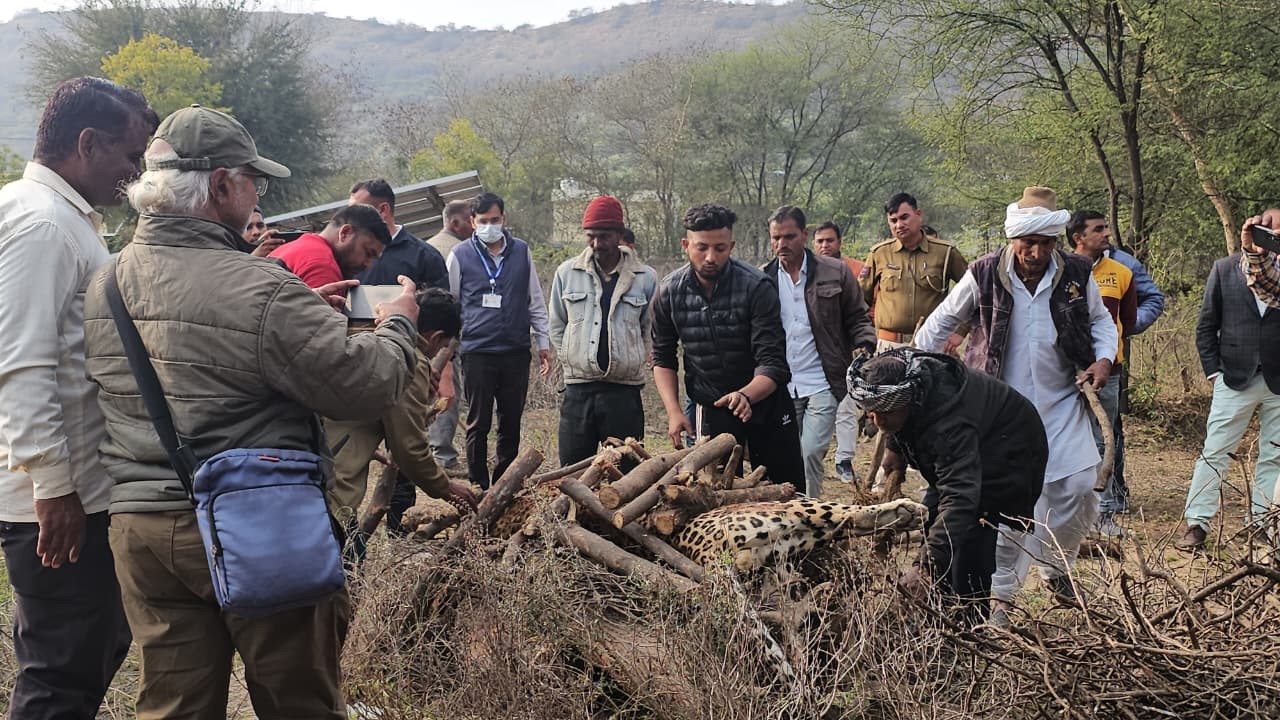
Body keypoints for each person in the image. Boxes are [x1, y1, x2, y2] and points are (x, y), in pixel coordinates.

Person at [83, 104, 422, 718]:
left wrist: (294, 316)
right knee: (298, 701)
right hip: (261, 522)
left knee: (174, 705)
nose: (257, 192)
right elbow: (367, 385)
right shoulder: (261, 288)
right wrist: (399, 324)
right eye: (252, 181)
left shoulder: (106, 283)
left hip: (144, 530)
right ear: (220, 186)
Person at [0, 76, 156, 720]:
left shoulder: (61, 219)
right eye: (129, 156)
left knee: (76, 655)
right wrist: (55, 488)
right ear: (87, 144)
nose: (135, 173)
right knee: (62, 677)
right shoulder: (42, 225)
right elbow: (23, 362)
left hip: (73, 489)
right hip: (59, 500)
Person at [916, 186, 1117, 627]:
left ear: (1056, 241)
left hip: (1062, 399)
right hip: (1000, 412)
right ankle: (1001, 603)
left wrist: (1103, 359)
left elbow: (1102, 322)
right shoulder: (985, 272)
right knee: (1007, 508)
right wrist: (924, 378)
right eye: (1028, 242)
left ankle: (1056, 566)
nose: (1036, 251)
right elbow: (938, 326)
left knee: (1080, 486)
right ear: (1013, 239)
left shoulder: (1077, 273)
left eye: (1045, 243)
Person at [851, 349, 1046, 622]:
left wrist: (924, 566)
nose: (878, 422)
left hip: (1009, 452)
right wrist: (895, 447)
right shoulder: (912, 389)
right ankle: (936, 615)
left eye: (886, 413)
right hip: (970, 449)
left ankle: (967, 626)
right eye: (872, 413)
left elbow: (960, 497)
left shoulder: (950, 423)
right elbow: (899, 417)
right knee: (934, 521)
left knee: (971, 535)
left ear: (908, 400)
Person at [651, 203, 803, 484]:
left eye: (720, 248)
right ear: (686, 244)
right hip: (710, 404)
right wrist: (673, 412)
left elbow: (773, 362)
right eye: (701, 247)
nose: (710, 257)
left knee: (785, 490)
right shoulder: (668, 292)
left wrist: (746, 395)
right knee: (713, 493)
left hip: (765, 399)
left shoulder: (757, 286)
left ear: (731, 245)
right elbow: (662, 358)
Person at [327, 287, 477, 562]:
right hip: (332, 488)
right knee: (345, 568)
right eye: (441, 347)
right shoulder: (410, 361)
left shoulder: (366, 338)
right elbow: (409, 447)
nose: (437, 353)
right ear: (435, 337)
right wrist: (446, 488)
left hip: (309, 472)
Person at [348, 179, 451, 530]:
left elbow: (443, 322)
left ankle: (400, 524)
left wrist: (439, 373)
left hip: (407, 364)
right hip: (356, 364)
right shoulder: (349, 253)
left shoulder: (423, 255)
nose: (367, 258)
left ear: (383, 209)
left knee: (405, 441)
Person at [1175, 213, 1280, 551]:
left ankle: (1263, 525)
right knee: (1215, 452)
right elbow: (1206, 325)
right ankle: (1197, 523)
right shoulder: (1224, 268)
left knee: (1274, 456)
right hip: (1234, 377)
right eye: (1271, 230)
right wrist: (1213, 371)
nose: (1274, 236)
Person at [761, 206, 875, 496]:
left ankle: (811, 512)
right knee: (786, 453)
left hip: (824, 379)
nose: (781, 244)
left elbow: (857, 316)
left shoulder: (834, 272)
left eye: (789, 236)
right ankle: (790, 512)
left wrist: (864, 345)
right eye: (776, 237)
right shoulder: (763, 279)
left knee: (810, 451)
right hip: (783, 383)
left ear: (805, 235)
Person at [447, 192, 552, 489]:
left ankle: (505, 484)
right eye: (483, 221)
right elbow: (450, 304)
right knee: (478, 422)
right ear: (472, 222)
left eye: (495, 220)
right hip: (477, 351)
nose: (490, 226)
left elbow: (535, 300)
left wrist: (542, 342)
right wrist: (449, 350)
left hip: (515, 350)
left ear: (504, 219)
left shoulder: (521, 251)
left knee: (510, 422)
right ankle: (479, 485)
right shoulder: (459, 255)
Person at [548, 196, 658, 464]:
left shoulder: (645, 278)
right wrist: (572, 356)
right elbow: (556, 324)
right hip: (578, 391)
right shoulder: (566, 273)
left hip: (624, 392)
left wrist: (635, 357)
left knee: (628, 473)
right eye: (591, 237)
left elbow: (650, 329)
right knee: (572, 471)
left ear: (620, 234)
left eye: (605, 236)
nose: (597, 244)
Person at [1069, 210, 1137, 539]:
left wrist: (1107, 359)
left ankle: (1104, 514)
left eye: (1105, 228)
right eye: (1098, 229)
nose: (1106, 233)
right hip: (1067, 371)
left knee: (1103, 440)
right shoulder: (1061, 272)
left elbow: (1127, 321)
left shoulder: (1122, 273)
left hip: (1108, 372)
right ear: (1077, 238)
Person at [860, 193, 968, 353]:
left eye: (904, 217)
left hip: (932, 344)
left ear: (918, 215)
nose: (899, 225)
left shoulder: (945, 253)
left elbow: (973, 292)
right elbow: (860, 300)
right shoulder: (879, 254)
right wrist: (865, 336)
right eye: (893, 220)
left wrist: (960, 332)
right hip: (888, 346)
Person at [813, 220, 868, 483]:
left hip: (843, 354)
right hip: (809, 358)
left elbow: (862, 310)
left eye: (830, 240)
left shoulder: (852, 271)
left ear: (839, 242)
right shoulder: (803, 272)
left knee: (846, 408)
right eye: (820, 241)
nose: (825, 245)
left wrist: (863, 342)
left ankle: (844, 460)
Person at [425, 199, 475, 474]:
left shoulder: (429, 245)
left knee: (428, 393)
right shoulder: (457, 251)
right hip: (447, 337)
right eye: (471, 220)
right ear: (455, 223)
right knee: (447, 392)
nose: (475, 226)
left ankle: (430, 450)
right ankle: (443, 456)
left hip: (425, 335)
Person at [350, 178, 449, 290]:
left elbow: (442, 303)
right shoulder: (349, 257)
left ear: (383, 210)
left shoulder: (424, 256)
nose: (349, 219)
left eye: (356, 211)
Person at [269, 203, 391, 291]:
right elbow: (321, 326)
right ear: (345, 233)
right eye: (368, 253)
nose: (368, 265)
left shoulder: (289, 248)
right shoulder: (323, 266)